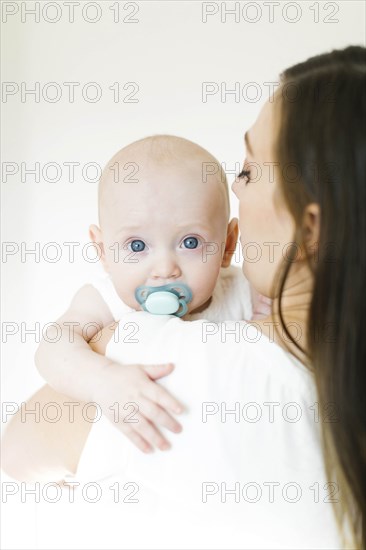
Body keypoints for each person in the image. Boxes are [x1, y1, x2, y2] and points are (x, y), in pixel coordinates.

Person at [2, 45, 365, 548]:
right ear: (101, 247)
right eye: (135, 244)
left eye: (249, 171)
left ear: (309, 228)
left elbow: (20, 450)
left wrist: (109, 348)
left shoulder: (168, 365)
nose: (236, 191)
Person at [34, 135, 270, 454]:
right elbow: (52, 349)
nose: (164, 268)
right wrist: (101, 381)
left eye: (190, 242)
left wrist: (263, 317)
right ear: (103, 251)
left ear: (227, 245)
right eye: (137, 246)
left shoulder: (242, 290)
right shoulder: (105, 301)